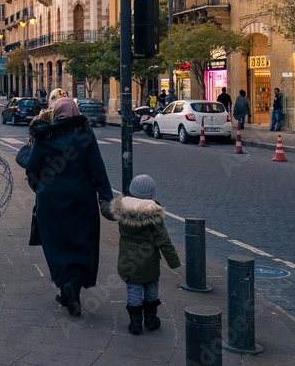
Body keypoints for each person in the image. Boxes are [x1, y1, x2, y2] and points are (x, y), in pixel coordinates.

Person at [25, 97, 114, 318]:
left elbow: (31, 167)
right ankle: (74, 284)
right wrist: (106, 196)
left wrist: (39, 187)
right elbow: (97, 168)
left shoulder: (44, 135)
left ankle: (65, 285)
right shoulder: (84, 134)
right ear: (75, 112)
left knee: (57, 243)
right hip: (82, 198)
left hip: (51, 200)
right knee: (82, 241)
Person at [110, 174, 181, 335]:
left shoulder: (122, 210)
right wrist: (174, 262)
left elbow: (108, 211)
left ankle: (135, 322)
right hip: (149, 261)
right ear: (152, 195)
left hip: (128, 261)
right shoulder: (153, 214)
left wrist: (101, 203)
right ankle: (151, 318)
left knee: (134, 289)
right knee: (151, 287)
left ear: (131, 191)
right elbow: (163, 239)